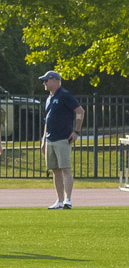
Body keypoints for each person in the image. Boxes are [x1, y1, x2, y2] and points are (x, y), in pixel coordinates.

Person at [39, 70, 85, 210]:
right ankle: (59, 200)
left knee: (65, 168)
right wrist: (43, 140)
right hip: (50, 139)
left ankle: (68, 199)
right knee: (55, 170)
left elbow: (80, 111)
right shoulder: (49, 98)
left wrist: (76, 131)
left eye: (46, 80)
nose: (44, 83)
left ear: (54, 80)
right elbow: (48, 120)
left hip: (62, 138)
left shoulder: (64, 95)